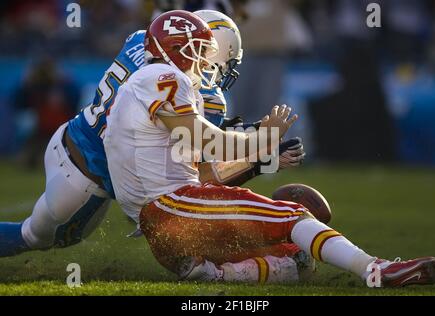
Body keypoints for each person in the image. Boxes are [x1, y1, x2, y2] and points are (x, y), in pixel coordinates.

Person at [104, 10, 435, 287]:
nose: (204, 63)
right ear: (175, 48)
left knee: (297, 260)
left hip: (170, 228)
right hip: (173, 210)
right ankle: (377, 270)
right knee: (293, 215)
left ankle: (209, 273)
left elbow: (204, 175)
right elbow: (207, 141)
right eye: (198, 51)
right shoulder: (161, 76)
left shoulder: (147, 88)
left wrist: (261, 160)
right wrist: (263, 139)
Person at [0, 9, 308, 285]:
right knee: (36, 236)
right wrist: (261, 158)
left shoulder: (141, 41)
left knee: (33, 231)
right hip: (88, 178)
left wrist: (245, 139)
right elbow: (199, 178)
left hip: (70, 134)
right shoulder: (205, 96)